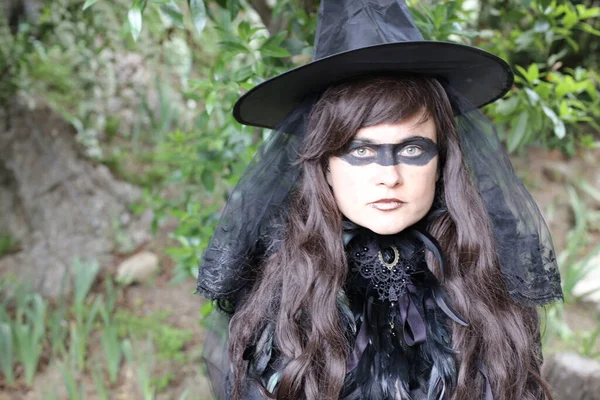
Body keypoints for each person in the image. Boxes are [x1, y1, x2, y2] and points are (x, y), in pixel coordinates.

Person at [196, 1, 563, 399]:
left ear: (441, 162)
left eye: (411, 150)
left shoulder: (485, 266)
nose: (389, 177)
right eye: (361, 151)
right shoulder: (277, 279)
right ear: (325, 164)